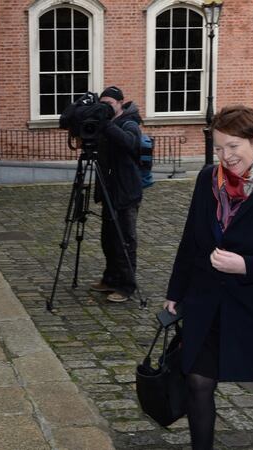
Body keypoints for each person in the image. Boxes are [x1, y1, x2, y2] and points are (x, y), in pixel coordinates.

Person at [163, 105, 253, 450]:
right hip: (206, 300)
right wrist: (176, 291)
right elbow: (190, 241)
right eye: (218, 147)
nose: (225, 156)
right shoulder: (206, 180)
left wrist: (246, 266)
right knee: (198, 379)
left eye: (233, 146)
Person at [88, 86, 144, 303]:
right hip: (109, 191)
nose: (107, 108)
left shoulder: (130, 122)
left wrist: (105, 125)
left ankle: (126, 286)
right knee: (108, 239)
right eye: (103, 103)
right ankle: (110, 279)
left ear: (120, 104)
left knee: (125, 241)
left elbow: (130, 143)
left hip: (126, 192)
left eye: (110, 103)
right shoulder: (106, 124)